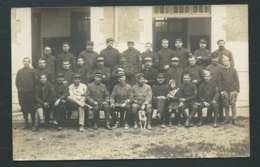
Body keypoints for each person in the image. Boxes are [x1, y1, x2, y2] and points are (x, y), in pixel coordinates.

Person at [15, 57, 36, 130]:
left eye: (28, 61)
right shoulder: (19, 71)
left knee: (32, 107)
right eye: (25, 61)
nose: (26, 62)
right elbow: (17, 82)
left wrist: (32, 90)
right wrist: (20, 89)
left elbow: (35, 82)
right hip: (22, 92)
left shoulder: (32, 71)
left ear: (29, 62)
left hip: (30, 92)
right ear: (23, 62)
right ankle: (26, 123)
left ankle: (33, 124)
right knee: (24, 107)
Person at [218, 56, 240, 124]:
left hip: (233, 90)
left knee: (233, 104)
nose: (225, 63)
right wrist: (221, 90)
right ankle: (227, 119)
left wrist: (237, 90)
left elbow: (237, 81)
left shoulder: (233, 70)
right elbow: (219, 82)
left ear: (229, 62)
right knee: (226, 105)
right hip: (225, 91)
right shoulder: (221, 71)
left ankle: (234, 119)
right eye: (224, 61)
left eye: (226, 61)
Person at [206, 53, 225, 122]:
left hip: (220, 88)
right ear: (211, 59)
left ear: (218, 58)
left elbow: (223, 79)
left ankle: (221, 118)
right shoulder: (208, 68)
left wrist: (222, 89)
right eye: (213, 58)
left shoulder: (222, 67)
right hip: (211, 88)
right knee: (211, 102)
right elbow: (207, 79)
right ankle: (209, 118)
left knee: (220, 103)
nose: (214, 59)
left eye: (216, 58)